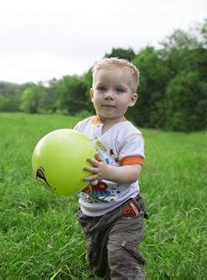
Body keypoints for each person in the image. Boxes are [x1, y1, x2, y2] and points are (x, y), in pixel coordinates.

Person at [74, 57, 147, 279]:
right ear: (91, 93)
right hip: (90, 212)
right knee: (99, 264)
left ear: (132, 99)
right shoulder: (81, 127)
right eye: (102, 88)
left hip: (123, 211)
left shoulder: (128, 133)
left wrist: (107, 172)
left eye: (119, 90)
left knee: (120, 257)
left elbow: (133, 171)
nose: (109, 95)